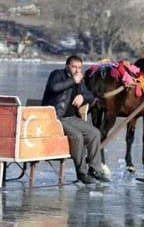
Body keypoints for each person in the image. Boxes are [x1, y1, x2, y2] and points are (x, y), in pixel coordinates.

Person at [42, 55, 110, 185]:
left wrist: (82, 96)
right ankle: (82, 172)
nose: (77, 70)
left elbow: (91, 95)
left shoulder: (79, 80)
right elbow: (54, 88)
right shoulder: (57, 74)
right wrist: (73, 80)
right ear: (67, 66)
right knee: (77, 136)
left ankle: (95, 169)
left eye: (79, 67)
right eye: (74, 67)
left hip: (72, 118)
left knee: (95, 133)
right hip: (56, 117)